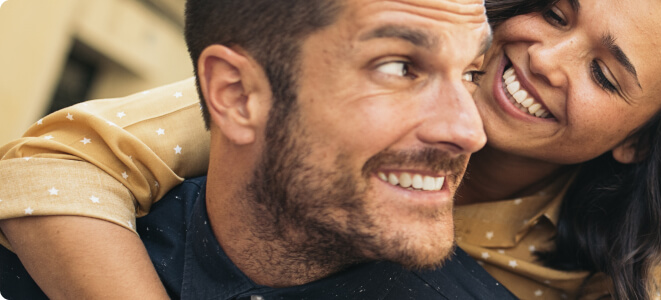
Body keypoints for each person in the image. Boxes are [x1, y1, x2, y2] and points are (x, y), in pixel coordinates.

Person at [0, 0, 661, 299]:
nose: (545, 57)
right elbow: (55, 166)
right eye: (557, 11)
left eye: (603, 72)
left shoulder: (623, 275)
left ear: (642, 141)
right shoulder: (323, 103)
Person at [0, 0, 510, 298]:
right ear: (237, 94)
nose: (470, 130)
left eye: (471, 74)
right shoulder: (46, 258)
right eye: (400, 68)